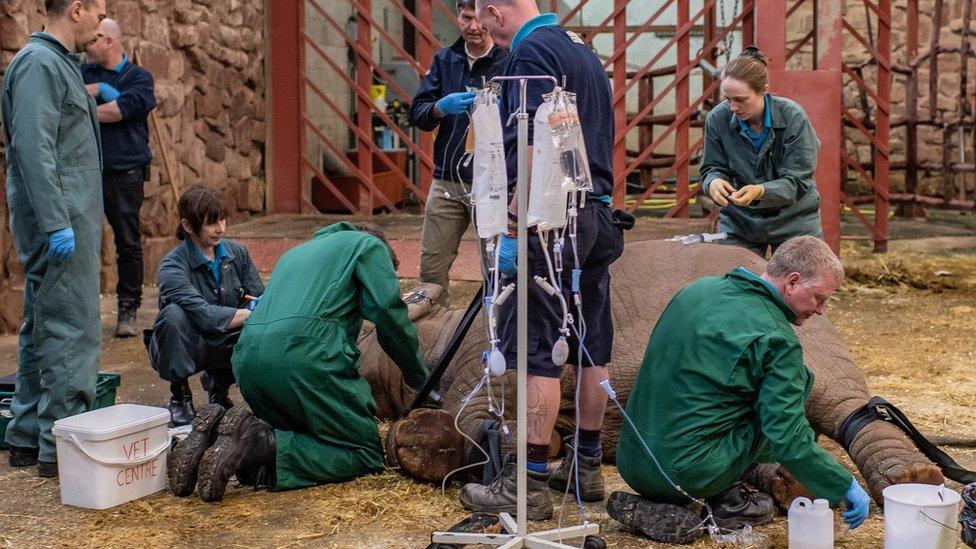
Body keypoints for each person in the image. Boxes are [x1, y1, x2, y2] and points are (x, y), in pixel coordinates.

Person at [459, 0, 624, 520]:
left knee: (533, 345)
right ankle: (587, 464)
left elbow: (528, 146)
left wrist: (511, 226)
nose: (482, 32)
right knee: (589, 342)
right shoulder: (581, 50)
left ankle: (527, 484)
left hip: (549, 219)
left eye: (483, 21)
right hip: (594, 212)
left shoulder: (528, 53)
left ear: (494, 10)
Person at [609, 236, 870, 543]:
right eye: (819, 299)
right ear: (793, 282)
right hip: (687, 472)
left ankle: (687, 496)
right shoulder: (777, 340)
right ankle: (725, 501)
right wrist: (842, 483)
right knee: (788, 398)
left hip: (632, 459)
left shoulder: (697, 289)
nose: (821, 311)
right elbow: (786, 436)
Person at [167, 222, 430, 502]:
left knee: (298, 430)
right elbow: (389, 315)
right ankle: (259, 443)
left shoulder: (296, 253)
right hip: (304, 358)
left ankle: (214, 433)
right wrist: (420, 378)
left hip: (247, 360)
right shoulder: (369, 247)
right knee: (363, 451)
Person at [1, 0, 107, 478]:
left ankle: (26, 434)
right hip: (62, 223)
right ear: (77, 9)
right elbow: (33, 146)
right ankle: (61, 443)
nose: (103, 24)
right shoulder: (41, 64)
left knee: (43, 324)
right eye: (100, 13)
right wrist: (55, 222)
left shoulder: (57, 63)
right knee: (72, 328)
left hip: (69, 217)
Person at [407, 0, 507, 305]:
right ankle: (432, 334)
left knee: (498, 266)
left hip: (492, 184)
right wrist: (440, 107)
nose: (473, 27)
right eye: (466, 18)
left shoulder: (509, 60)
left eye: (478, 20)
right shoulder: (444, 61)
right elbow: (417, 114)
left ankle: (494, 330)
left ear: (490, 18)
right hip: (448, 182)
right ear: (458, 18)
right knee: (432, 265)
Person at [144, 185, 263, 427]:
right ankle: (180, 395)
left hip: (226, 338)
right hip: (192, 343)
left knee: (264, 329)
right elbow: (206, 317)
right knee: (173, 316)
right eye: (211, 223)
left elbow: (260, 297)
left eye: (222, 220)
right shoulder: (172, 267)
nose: (220, 229)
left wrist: (260, 309)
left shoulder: (237, 253)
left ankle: (218, 388)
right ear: (188, 226)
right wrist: (252, 313)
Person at [700, 46, 824, 257]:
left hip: (794, 219)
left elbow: (798, 181)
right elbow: (712, 167)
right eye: (727, 99)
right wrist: (713, 181)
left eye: (740, 99)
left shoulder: (793, 117)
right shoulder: (717, 119)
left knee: (801, 283)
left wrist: (761, 192)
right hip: (740, 221)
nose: (732, 107)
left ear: (763, 90)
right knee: (736, 284)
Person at [82, 18, 157, 337]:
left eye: (95, 39)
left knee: (127, 242)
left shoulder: (138, 78)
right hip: (86, 170)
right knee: (82, 241)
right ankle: (83, 311)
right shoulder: (83, 72)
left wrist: (85, 101)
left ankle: (128, 307)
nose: (88, 43)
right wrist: (96, 92)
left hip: (124, 173)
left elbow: (119, 111)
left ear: (110, 41)